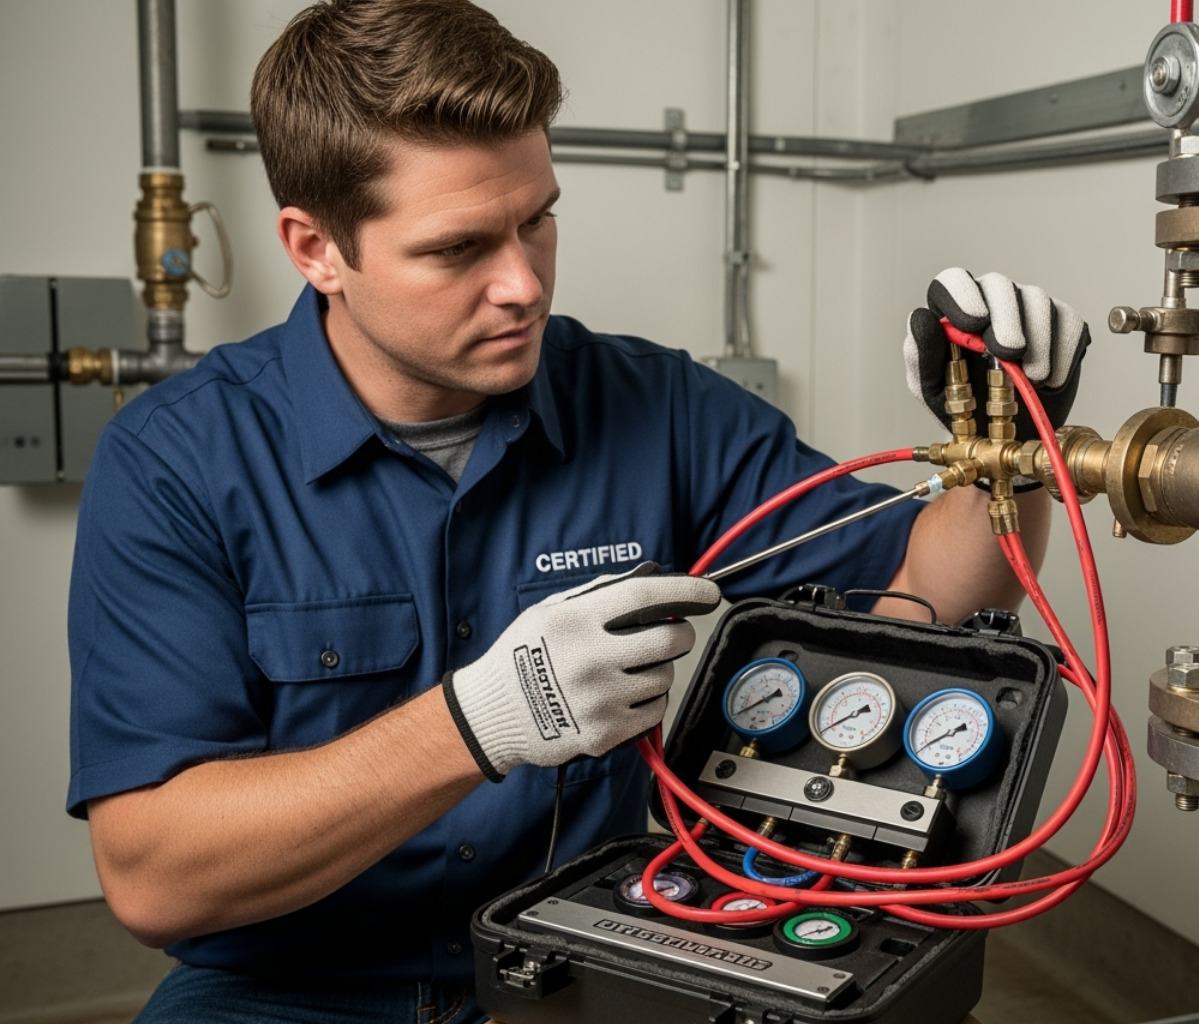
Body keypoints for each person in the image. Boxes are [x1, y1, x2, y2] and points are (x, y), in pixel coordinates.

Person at [65, 1, 1089, 1020]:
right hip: (289, 991)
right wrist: (485, 719)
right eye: (458, 247)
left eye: (537, 219)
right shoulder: (179, 461)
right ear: (316, 248)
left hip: (593, 947)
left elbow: (929, 586)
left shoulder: (657, 408)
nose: (523, 284)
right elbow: (158, 877)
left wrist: (1011, 443)